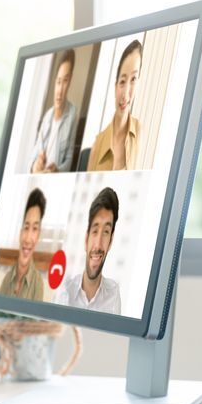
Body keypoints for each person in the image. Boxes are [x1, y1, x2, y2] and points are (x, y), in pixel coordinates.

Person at [53, 187, 122, 313]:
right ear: (86, 240)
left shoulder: (113, 294)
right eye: (95, 231)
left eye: (106, 232)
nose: (98, 245)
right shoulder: (65, 291)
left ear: (111, 241)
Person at [87, 40, 143, 171]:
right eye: (122, 81)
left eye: (133, 79)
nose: (125, 93)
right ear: (115, 86)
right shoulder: (98, 144)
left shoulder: (140, 133)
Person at [30, 49, 79, 173]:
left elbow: (69, 160)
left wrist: (57, 170)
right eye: (58, 82)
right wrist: (35, 165)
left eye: (65, 81)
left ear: (71, 81)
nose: (60, 90)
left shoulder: (72, 113)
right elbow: (34, 156)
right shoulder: (47, 116)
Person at [0, 188, 47, 300]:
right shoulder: (7, 278)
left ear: (38, 235)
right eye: (26, 227)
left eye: (34, 229)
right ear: (20, 233)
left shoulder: (37, 284)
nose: (28, 239)